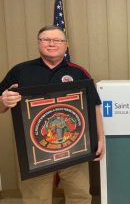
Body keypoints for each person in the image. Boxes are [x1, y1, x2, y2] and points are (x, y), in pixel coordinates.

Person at [0, 25, 105, 204]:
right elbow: (1, 105)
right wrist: (3, 101)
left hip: (75, 145)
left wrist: (100, 139)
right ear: (38, 43)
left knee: (79, 195)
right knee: (36, 199)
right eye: (45, 39)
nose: (51, 44)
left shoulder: (78, 72)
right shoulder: (20, 71)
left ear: (66, 45)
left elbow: (94, 106)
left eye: (57, 40)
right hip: (34, 150)